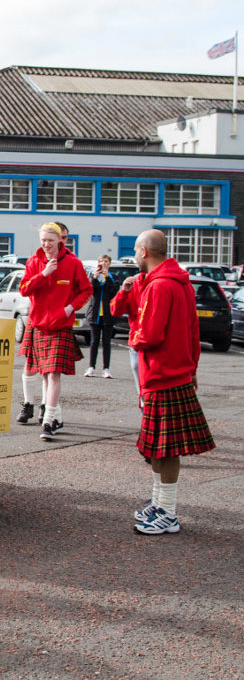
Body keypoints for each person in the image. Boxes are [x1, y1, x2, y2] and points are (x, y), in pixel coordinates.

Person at [129, 229, 215, 535]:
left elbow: (149, 334)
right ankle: (159, 502)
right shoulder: (180, 283)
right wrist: (193, 370)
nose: (134, 256)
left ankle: (168, 512)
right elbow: (194, 330)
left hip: (162, 375)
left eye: (135, 250)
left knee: (164, 449)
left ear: (145, 252)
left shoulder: (160, 286)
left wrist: (133, 337)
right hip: (177, 373)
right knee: (158, 448)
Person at [16, 222, 91, 440]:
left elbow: (86, 290)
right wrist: (44, 274)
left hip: (60, 325)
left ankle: (48, 420)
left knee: (53, 373)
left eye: (50, 240)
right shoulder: (34, 262)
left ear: (60, 240)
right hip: (39, 324)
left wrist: (69, 308)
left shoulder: (73, 263)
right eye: (43, 241)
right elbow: (24, 289)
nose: (47, 245)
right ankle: (46, 413)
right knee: (42, 373)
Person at [85, 254, 119, 379]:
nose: (103, 263)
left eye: (106, 261)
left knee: (106, 342)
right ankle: (91, 367)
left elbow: (114, 291)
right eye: (101, 261)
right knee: (94, 341)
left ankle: (106, 368)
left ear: (109, 263)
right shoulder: (93, 276)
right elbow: (91, 290)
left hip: (108, 315)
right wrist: (95, 277)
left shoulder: (113, 277)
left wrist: (106, 277)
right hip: (95, 314)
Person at [111, 270, 145, 394]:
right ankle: (144, 406)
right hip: (137, 341)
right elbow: (115, 311)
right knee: (139, 378)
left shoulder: (161, 285)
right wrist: (124, 292)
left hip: (156, 343)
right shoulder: (135, 284)